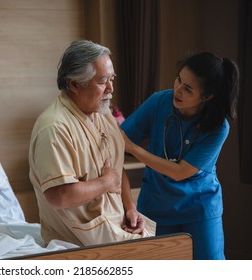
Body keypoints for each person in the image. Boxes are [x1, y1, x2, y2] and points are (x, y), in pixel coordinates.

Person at [28, 39, 155, 247]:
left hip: (117, 226)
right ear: (74, 84)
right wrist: (106, 182)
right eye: (102, 81)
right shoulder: (54, 128)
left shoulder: (103, 114)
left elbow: (115, 168)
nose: (111, 88)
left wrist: (130, 208)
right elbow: (59, 196)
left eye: (112, 79)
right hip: (80, 241)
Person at [120, 52, 239, 259]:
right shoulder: (159, 102)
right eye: (178, 79)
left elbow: (181, 172)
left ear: (207, 96)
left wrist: (133, 149)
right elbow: (119, 138)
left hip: (199, 206)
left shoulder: (219, 127)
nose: (178, 89)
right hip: (156, 204)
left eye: (188, 88)